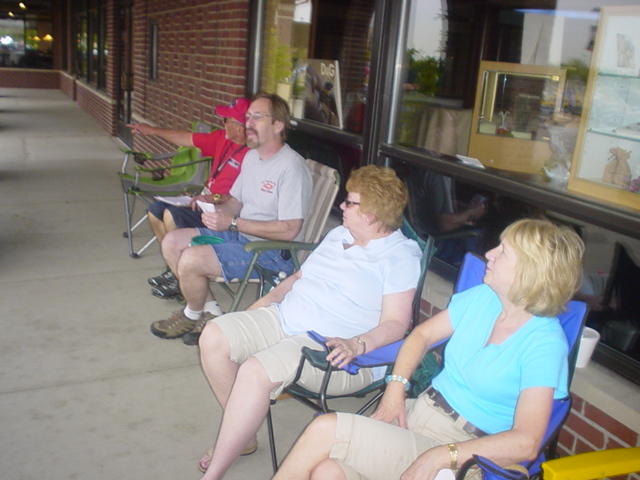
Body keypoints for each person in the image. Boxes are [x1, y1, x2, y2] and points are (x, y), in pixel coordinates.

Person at [272, 218, 585, 480]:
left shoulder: (544, 344)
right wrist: (396, 388)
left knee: (326, 429)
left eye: (503, 252)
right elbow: (421, 336)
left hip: (465, 451)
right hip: (418, 414)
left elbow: (526, 443)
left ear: (531, 273)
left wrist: (440, 456)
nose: (489, 253)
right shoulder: (483, 299)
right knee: (328, 472)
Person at [195, 164, 423, 480]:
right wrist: (263, 303)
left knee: (255, 371)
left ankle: (215, 473)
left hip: (331, 348)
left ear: (370, 215)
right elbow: (301, 277)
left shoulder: (400, 255)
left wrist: (357, 344)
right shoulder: (339, 234)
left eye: (350, 202)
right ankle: (244, 435)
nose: (341, 206)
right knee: (214, 336)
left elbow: (398, 323)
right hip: (285, 318)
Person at [149, 92, 313, 345]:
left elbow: (290, 230)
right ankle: (210, 311)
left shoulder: (291, 167)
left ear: (278, 125)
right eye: (248, 117)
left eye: (257, 117)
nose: (248, 123)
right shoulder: (251, 157)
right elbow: (236, 201)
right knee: (172, 241)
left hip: (272, 252)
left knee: (192, 258)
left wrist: (233, 223)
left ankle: (190, 315)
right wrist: (214, 202)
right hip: (241, 236)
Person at [128, 98, 250, 291]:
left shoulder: (252, 155)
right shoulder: (222, 138)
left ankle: (183, 280)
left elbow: (242, 198)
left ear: (240, 127)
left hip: (222, 211)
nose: (222, 124)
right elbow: (186, 138)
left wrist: (215, 198)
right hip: (203, 200)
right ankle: (175, 269)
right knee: (155, 210)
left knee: (170, 215)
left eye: (226, 120)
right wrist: (152, 131)